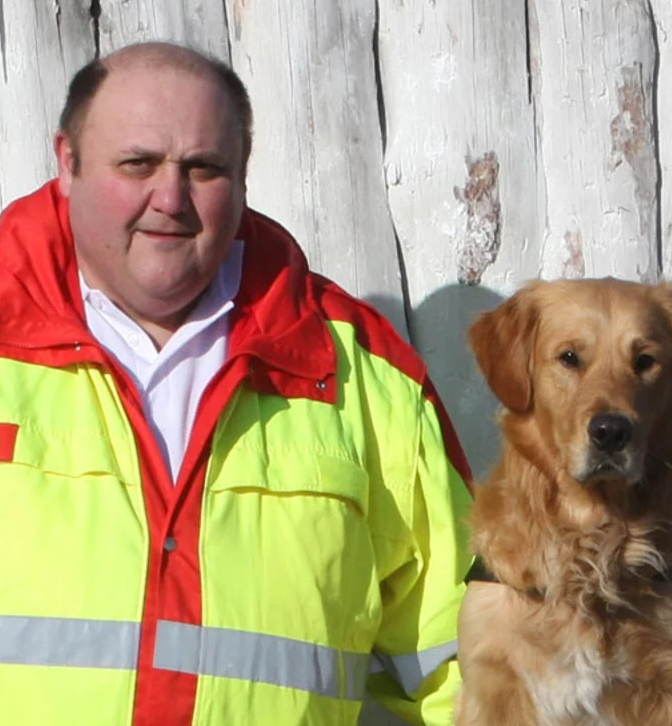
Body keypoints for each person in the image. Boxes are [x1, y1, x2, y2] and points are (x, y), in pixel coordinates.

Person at [0, 41, 473, 726]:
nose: (170, 198)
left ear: (244, 176)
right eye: (137, 164)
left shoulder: (361, 374)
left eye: (204, 168)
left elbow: (474, 667)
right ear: (66, 163)